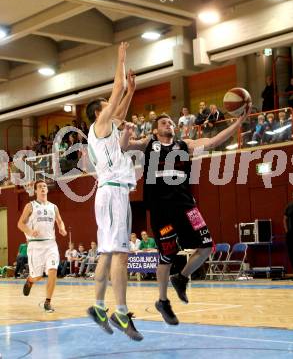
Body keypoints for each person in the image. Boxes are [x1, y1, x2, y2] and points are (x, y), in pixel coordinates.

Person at [123, 106, 251, 325]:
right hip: (161, 210)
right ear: (155, 131)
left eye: (171, 123)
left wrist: (238, 123)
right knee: (167, 255)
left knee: (206, 246)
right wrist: (126, 132)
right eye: (163, 123)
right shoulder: (148, 144)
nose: (168, 125)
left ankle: (181, 277)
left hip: (186, 206)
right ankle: (163, 301)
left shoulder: (184, 145)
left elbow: (212, 142)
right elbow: (124, 146)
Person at [86, 42, 143, 341]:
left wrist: (131, 91)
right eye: (106, 107)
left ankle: (98, 306)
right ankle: (120, 312)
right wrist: (121, 57)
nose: (112, 109)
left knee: (109, 255)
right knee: (119, 255)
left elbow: (120, 106)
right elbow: (116, 89)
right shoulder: (99, 125)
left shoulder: (105, 133)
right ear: (99, 112)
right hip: (112, 194)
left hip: (113, 193)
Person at [17, 180, 67, 312]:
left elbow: (60, 222)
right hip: (35, 246)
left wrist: (62, 229)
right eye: (40, 187)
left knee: (53, 270)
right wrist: (30, 231)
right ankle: (30, 280)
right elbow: (20, 224)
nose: (43, 188)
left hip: (51, 244)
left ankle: (47, 302)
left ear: (47, 190)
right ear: (35, 191)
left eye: (44, 186)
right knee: (38, 276)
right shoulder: (30, 206)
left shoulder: (53, 207)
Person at [283, 193, 293, 272]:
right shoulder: (289, 207)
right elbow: (284, 219)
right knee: (291, 253)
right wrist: (287, 231)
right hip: (291, 234)